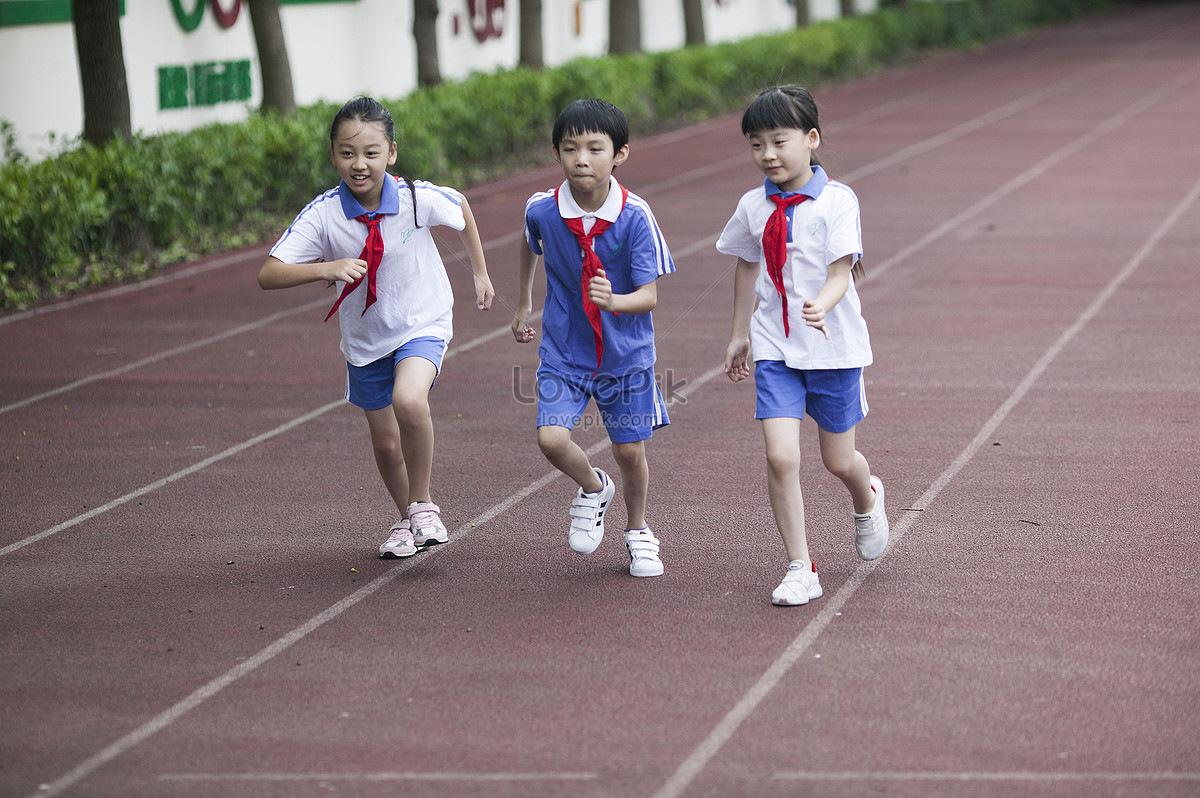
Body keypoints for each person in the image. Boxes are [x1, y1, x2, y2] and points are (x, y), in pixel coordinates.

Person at [258, 96, 493, 559]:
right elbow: (269, 274)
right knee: (386, 444)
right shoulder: (324, 213)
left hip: (422, 320)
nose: (359, 164)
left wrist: (480, 273)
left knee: (409, 399)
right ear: (332, 156)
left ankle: (424, 505)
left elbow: (460, 206)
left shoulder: (412, 198)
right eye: (347, 153)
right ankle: (407, 519)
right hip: (366, 340)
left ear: (392, 152)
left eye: (370, 152)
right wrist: (326, 267)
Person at [719, 85, 889, 606]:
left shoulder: (838, 200)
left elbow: (842, 272)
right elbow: (747, 265)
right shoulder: (752, 206)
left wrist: (824, 301)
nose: (768, 154)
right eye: (756, 145)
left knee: (839, 461)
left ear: (811, 139)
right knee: (780, 456)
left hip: (833, 349)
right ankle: (800, 566)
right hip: (777, 349)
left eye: (779, 141)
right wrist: (739, 333)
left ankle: (868, 496)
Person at [512, 99, 675, 577]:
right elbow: (528, 243)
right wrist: (523, 301)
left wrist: (615, 302)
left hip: (625, 353)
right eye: (569, 148)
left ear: (619, 154)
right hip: (565, 347)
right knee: (551, 439)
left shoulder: (635, 216)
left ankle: (639, 530)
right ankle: (592, 487)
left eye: (594, 148)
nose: (581, 158)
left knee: (630, 451)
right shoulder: (542, 211)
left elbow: (649, 296)